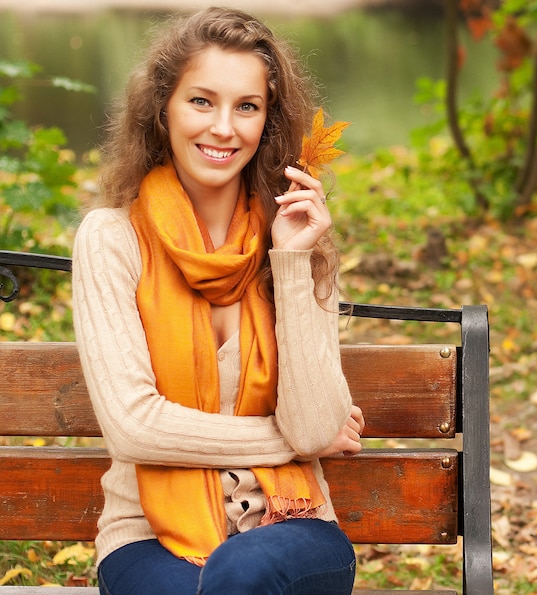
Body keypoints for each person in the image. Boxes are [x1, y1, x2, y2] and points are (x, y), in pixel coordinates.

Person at [71, 6, 365, 595]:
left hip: (294, 528)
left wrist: (289, 261)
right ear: (163, 110)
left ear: (267, 122)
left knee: (242, 569)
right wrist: (283, 441)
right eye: (201, 101)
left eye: (247, 106)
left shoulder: (295, 239)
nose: (224, 128)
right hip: (145, 537)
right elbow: (133, 428)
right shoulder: (112, 240)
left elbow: (313, 425)